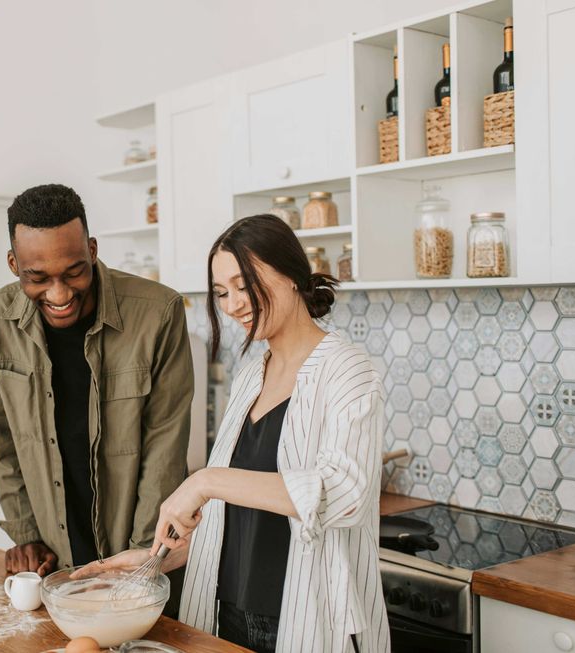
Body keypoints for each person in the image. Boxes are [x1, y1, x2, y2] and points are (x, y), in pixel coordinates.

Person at [75, 214, 389, 653]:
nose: (233, 303)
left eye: (245, 285)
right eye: (222, 292)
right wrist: (155, 560)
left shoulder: (348, 371)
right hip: (226, 614)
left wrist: (205, 480)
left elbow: (345, 494)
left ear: (292, 275)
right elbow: (237, 520)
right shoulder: (249, 375)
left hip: (307, 620)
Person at [0, 183, 194, 578]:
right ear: (13, 263)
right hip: (53, 560)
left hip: (140, 559)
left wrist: (141, 559)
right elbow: (3, 437)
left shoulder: (158, 313)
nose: (59, 294)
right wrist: (25, 532)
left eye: (74, 272)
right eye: (37, 278)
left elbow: (165, 446)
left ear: (92, 251)